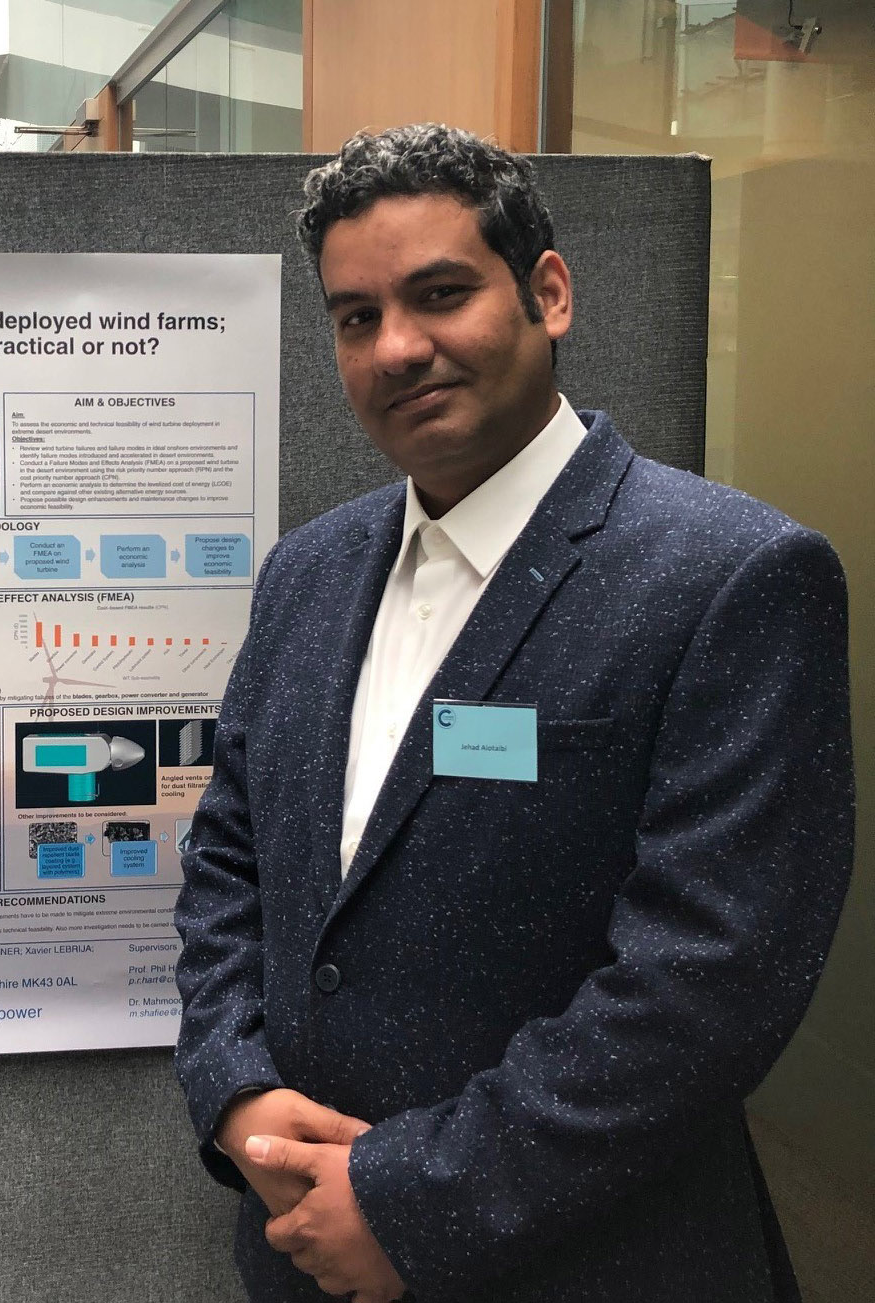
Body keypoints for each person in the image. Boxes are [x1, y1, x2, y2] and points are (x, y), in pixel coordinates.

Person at [173, 123, 853, 1303]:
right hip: (303, 1253)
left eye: (440, 295)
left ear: (547, 293)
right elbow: (228, 864)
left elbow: (708, 982)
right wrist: (237, 1093)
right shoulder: (308, 573)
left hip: (592, 1262)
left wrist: (407, 1202)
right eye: (356, 316)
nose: (398, 347)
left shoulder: (729, 575)